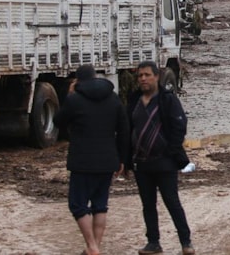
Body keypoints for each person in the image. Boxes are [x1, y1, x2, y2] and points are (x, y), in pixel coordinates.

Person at [54, 64, 129, 255]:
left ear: (77, 80)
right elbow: (124, 130)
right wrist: (122, 158)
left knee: (77, 205)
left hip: (82, 162)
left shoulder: (75, 99)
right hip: (108, 161)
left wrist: (69, 95)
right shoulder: (113, 98)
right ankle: (95, 246)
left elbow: (58, 121)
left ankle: (92, 247)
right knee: (100, 205)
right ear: (95, 77)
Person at [127, 61, 195, 255]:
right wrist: (126, 158)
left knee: (172, 202)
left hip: (165, 162)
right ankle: (153, 242)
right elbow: (127, 128)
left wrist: (171, 150)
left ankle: (186, 242)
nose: (143, 79)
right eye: (140, 76)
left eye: (147, 75)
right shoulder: (134, 100)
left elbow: (179, 126)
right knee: (148, 205)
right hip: (142, 163)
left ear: (156, 77)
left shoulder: (167, 100)